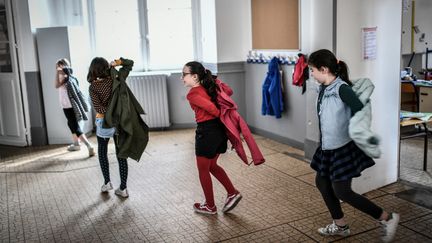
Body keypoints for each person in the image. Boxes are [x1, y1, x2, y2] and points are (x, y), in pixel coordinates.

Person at [308, 49, 399, 242]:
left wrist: (361, 134)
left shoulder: (342, 89)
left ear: (324, 69)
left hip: (341, 149)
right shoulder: (324, 88)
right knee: (322, 182)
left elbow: (360, 111)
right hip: (327, 148)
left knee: (342, 191)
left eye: (312, 70)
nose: (311, 74)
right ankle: (340, 225)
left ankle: (387, 218)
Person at [182, 61, 242, 214]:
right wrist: (215, 81)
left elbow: (212, 109)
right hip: (219, 131)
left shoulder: (193, 93)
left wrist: (219, 114)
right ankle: (232, 192)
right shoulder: (209, 87)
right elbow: (229, 91)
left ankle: (210, 206)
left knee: (203, 169)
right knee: (212, 166)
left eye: (184, 74)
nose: (181, 77)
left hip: (207, 132)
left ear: (195, 76)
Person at [88, 57, 142, 198]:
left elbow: (99, 107)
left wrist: (110, 111)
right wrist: (117, 62)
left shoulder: (93, 87)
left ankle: (107, 182)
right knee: (121, 154)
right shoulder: (117, 78)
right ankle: (123, 188)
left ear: (93, 70)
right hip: (120, 122)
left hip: (104, 122)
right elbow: (130, 63)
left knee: (102, 151)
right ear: (107, 67)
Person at [55, 58, 94, 156]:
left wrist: (57, 72)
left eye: (60, 66)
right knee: (71, 123)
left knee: (75, 126)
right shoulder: (70, 76)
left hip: (67, 105)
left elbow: (56, 85)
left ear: (63, 66)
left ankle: (89, 145)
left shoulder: (62, 75)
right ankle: (76, 143)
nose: (58, 68)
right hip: (70, 104)